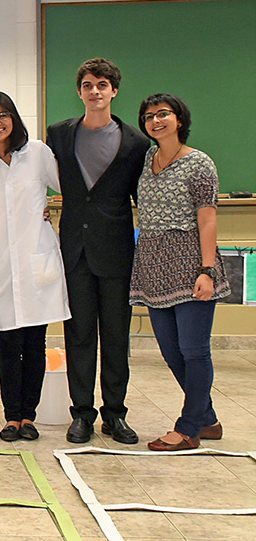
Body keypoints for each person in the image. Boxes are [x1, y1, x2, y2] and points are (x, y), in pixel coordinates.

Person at [47, 58, 150, 445]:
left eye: (102, 85)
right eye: (88, 85)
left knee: (116, 337)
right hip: (74, 249)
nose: (95, 91)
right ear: (79, 91)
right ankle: (82, 415)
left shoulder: (137, 143)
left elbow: (143, 197)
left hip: (117, 252)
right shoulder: (58, 135)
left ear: (114, 91)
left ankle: (115, 414)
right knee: (78, 335)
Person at [129, 94, 230, 451]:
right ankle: (208, 418)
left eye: (163, 114)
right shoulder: (145, 161)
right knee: (172, 352)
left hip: (190, 266)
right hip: (154, 268)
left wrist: (207, 270)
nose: (155, 121)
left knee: (194, 350)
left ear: (179, 119)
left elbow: (208, 218)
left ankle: (188, 428)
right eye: (148, 116)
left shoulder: (199, 163)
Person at [0, 91, 69, 442]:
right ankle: (12, 417)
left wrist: (49, 212)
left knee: (36, 344)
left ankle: (30, 417)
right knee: (8, 344)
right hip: (2, 262)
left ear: (14, 118)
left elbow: (67, 187)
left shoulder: (37, 153)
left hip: (36, 260)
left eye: (3, 115)